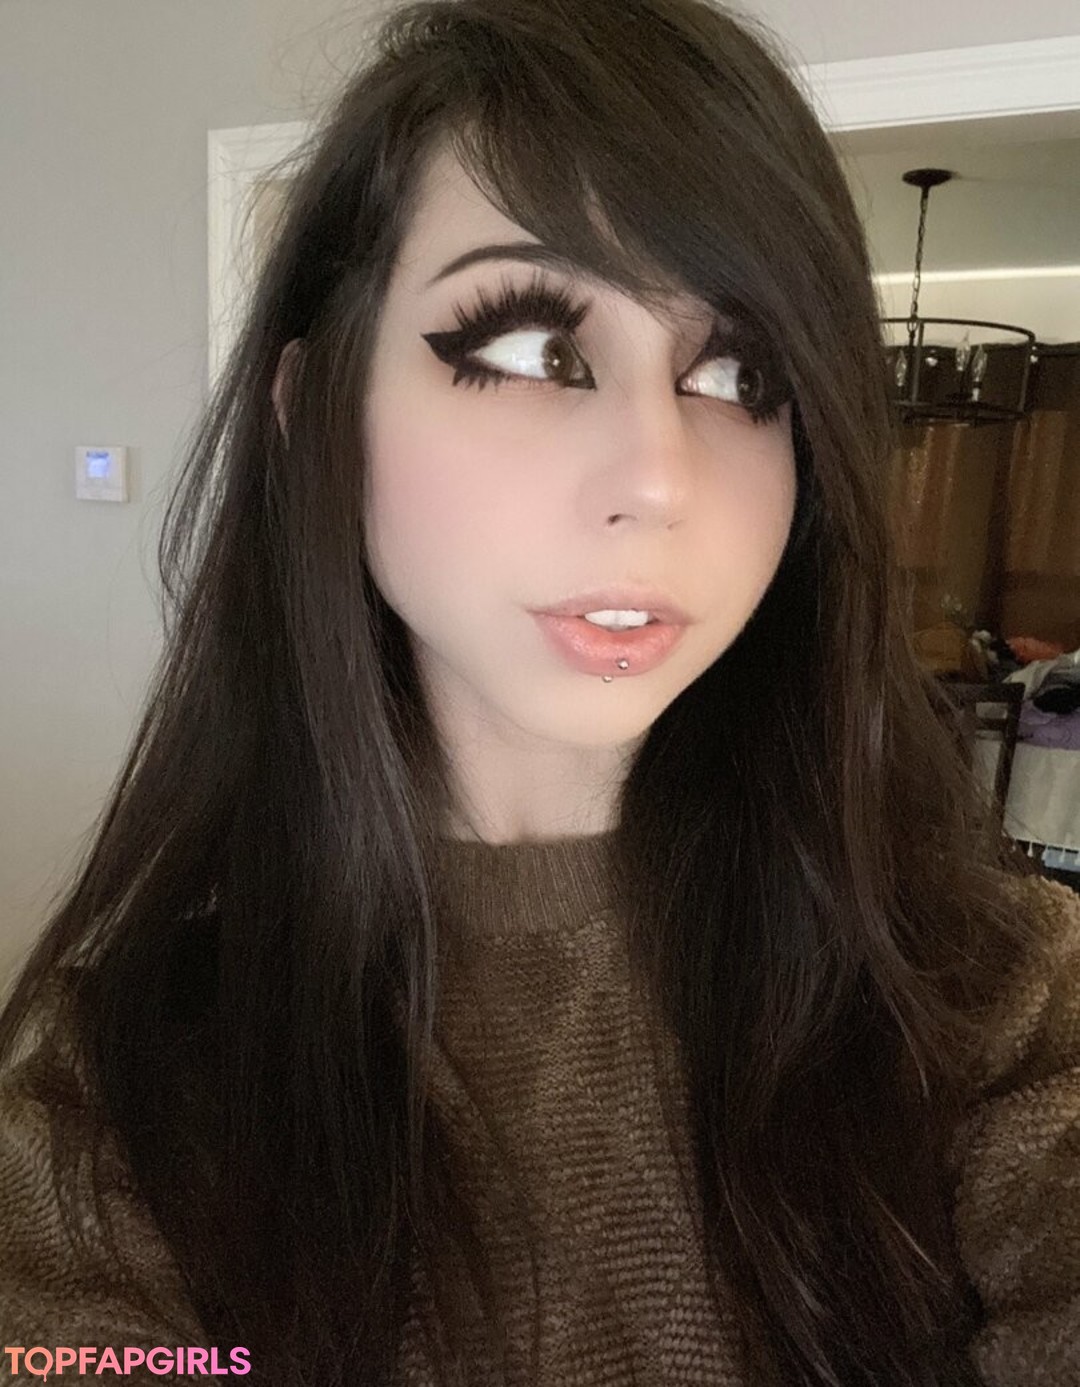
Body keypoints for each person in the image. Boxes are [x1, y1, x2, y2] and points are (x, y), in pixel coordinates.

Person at [1, 1, 1077, 1383]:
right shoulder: (115, 1103)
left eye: (740, 374)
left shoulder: (1005, 1003)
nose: (659, 478)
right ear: (314, 407)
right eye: (528, 350)